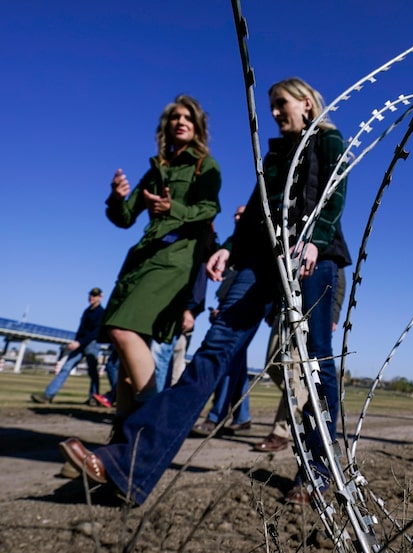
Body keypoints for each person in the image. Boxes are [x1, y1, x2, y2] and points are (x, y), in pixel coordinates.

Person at [59, 78, 351, 507]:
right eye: (270, 105)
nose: (273, 111)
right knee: (212, 354)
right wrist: (229, 251)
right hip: (262, 262)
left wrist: (316, 239)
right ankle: (128, 464)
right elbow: (256, 213)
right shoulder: (272, 156)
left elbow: (335, 192)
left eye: (280, 103)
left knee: (314, 363)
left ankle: (319, 474)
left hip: (313, 257)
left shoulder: (327, 140)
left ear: (306, 103)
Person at [100, 94, 221, 438]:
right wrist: (116, 197)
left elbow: (209, 209)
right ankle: (121, 442)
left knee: (122, 330)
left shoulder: (205, 166)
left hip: (176, 260)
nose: (180, 122)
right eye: (174, 117)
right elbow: (125, 219)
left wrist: (173, 210)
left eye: (188, 118)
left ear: (197, 127)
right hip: (141, 260)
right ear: (166, 126)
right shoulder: (156, 170)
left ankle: (154, 425)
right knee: (124, 353)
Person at [254, 266, 345, 452]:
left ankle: (281, 433)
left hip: (306, 313)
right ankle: (304, 401)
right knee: (273, 367)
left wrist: (332, 315)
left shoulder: (325, 246)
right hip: (282, 311)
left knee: (293, 374)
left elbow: (338, 283)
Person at [191, 206, 252, 436]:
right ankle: (243, 416)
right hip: (226, 308)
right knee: (238, 368)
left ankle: (215, 417)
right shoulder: (232, 243)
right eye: (235, 214)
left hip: (241, 311)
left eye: (241, 214)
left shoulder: (252, 243)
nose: (237, 217)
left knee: (226, 364)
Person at [31, 287, 105, 405]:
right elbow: (81, 330)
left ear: (100, 297)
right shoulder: (87, 311)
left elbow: (95, 332)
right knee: (66, 368)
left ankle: (94, 397)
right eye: (91, 295)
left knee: (92, 372)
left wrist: (80, 342)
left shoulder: (101, 312)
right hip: (79, 344)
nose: (91, 297)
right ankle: (48, 395)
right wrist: (75, 342)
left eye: (95, 295)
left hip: (91, 344)